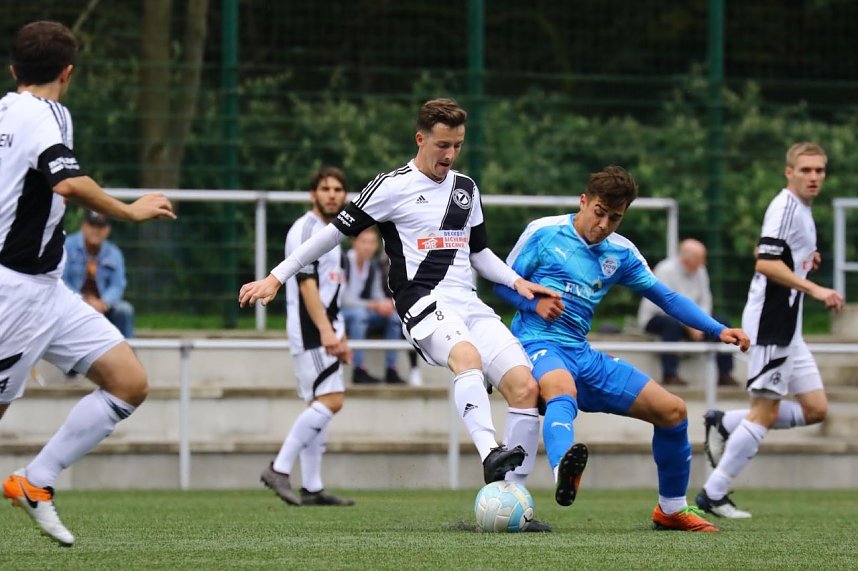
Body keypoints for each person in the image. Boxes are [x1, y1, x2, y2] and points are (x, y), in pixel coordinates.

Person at [240, 98, 558, 531]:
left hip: (468, 302)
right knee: (467, 358)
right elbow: (331, 236)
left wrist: (517, 283)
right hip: (422, 301)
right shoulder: (391, 186)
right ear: (420, 138)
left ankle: (516, 501)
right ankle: (489, 453)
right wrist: (276, 277)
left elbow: (480, 252)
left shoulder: (467, 188)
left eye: (458, 146)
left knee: (524, 387)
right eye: (442, 144)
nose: (449, 155)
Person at [494, 166, 750, 532]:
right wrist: (533, 303)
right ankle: (564, 472)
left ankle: (671, 509)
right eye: (599, 212)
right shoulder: (544, 232)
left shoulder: (622, 253)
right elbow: (502, 283)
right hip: (537, 343)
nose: (604, 224)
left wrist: (717, 329)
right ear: (583, 202)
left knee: (673, 411)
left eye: (615, 217)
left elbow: (666, 297)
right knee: (560, 389)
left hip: (583, 354)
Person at [0, 21, 175, 546]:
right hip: (15, 293)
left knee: (128, 382)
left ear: (13, 70)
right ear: (68, 74)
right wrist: (130, 211)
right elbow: (69, 182)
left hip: (46, 289)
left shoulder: (5, 110)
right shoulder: (47, 113)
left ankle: (36, 482)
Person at [696, 142, 845, 519]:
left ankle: (725, 422)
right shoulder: (785, 206)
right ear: (789, 171)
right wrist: (815, 288)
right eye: (806, 170)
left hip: (789, 328)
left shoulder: (805, 211)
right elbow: (765, 263)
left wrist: (807, 263)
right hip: (770, 325)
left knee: (815, 409)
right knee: (764, 411)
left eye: (820, 171)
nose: (814, 177)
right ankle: (713, 494)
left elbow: (786, 257)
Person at [260, 166, 355, 507]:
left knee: (320, 404)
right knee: (332, 401)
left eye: (338, 189)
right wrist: (328, 333)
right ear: (313, 194)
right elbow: (306, 285)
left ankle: (312, 487)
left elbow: (333, 292)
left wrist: (340, 335)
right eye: (325, 188)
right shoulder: (304, 229)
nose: (332, 194)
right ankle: (279, 468)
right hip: (311, 333)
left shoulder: (336, 233)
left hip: (327, 332)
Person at [637, 239, 737, 386]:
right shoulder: (665, 269)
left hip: (691, 320)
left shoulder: (700, 270)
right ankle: (669, 374)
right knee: (669, 325)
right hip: (659, 317)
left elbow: (706, 300)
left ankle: (724, 373)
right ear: (686, 260)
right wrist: (690, 324)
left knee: (723, 322)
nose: (704, 263)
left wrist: (702, 323)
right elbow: (663, 304)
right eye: (701, 259)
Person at [342, 227, 422, 385]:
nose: (367, 246)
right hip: (342, 313)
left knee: (393, 317)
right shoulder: (344, 263)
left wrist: (385, 305)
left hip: (362, 311)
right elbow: (345, 300)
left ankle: (391, 369)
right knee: (359, 315)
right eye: (364, 242)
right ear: (354, 243)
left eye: (372, 242)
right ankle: (359, 369)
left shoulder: (372, 266)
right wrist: (374, 304)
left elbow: (377, 294)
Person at [62, 210, 135, 338]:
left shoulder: (114, 253)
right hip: (73, 304)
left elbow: (117, 285)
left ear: (108, 230)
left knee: (125, 310)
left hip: (103, 307)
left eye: (101, 226)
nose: (96, 230)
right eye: (92, 225)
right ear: (84, 226)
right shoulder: (67, 246)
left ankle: (127, 354)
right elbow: (62, 281)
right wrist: (83, 301)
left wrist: (103, 303)